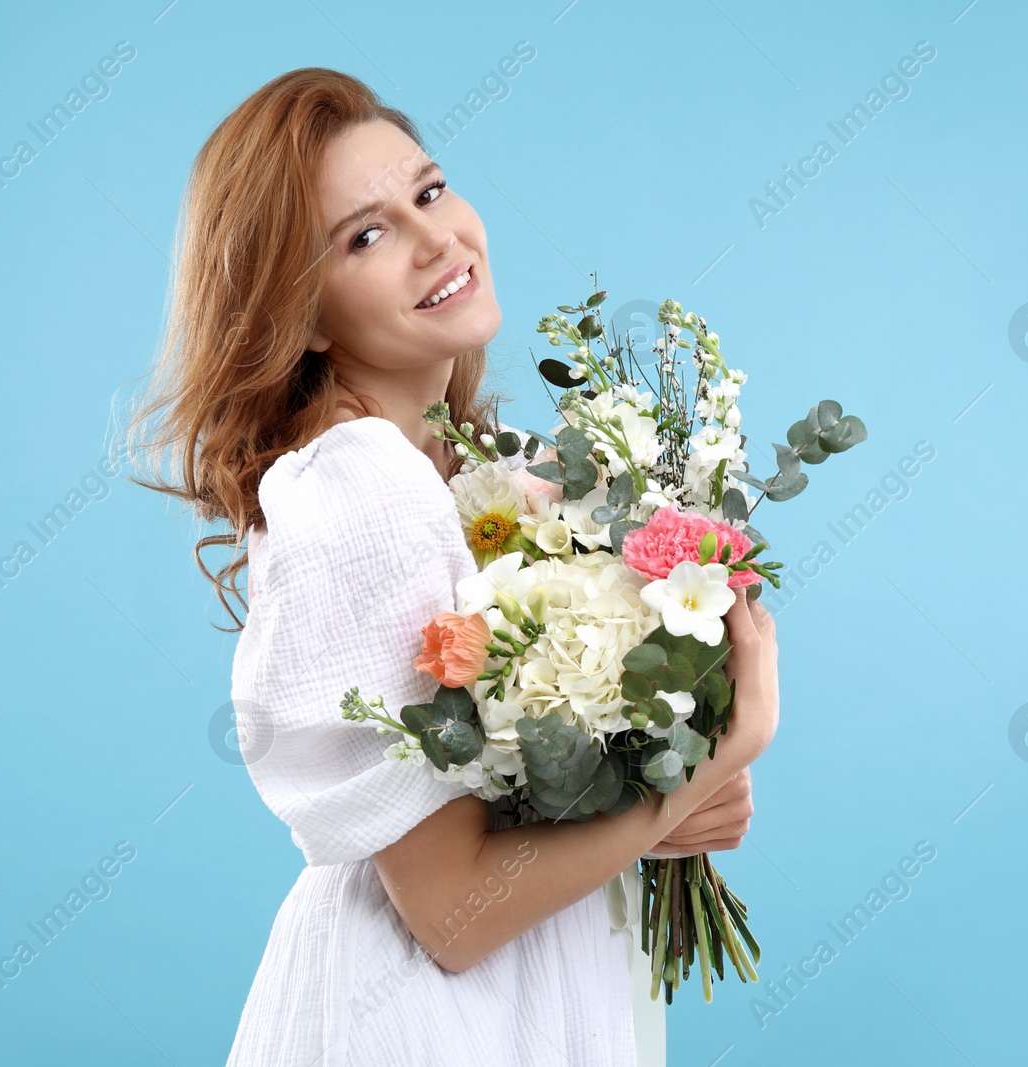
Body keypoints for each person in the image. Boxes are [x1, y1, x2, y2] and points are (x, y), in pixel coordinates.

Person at [125, 67, 779, 1067]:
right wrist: (713, 763)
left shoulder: (482, 470)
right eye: (365, 235)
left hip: (534, 987)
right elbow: (449, 913)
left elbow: (506, 802)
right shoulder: (361, 488)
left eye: (429, 192)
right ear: (296, 315)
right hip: (424, 1017)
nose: (437, 238)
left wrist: (650, 794)